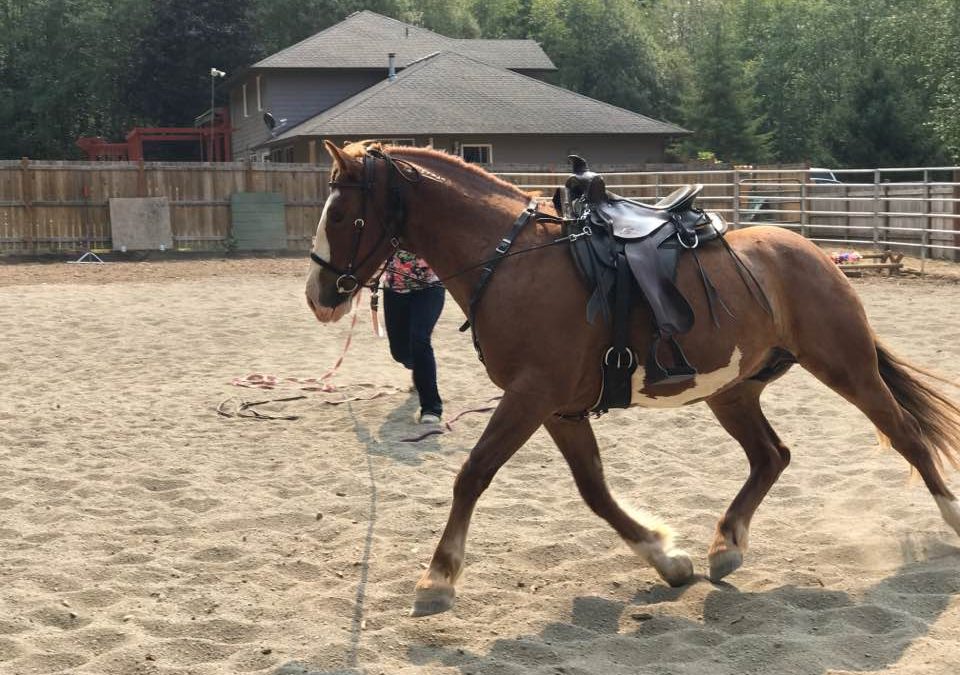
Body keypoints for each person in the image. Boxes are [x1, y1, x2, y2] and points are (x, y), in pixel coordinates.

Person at [382, 250, 445, 424]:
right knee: (399, 352)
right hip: (394, 289)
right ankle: (418, 368)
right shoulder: (388, 224)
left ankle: (431, 407)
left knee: (420, 339)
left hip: (429, 288)